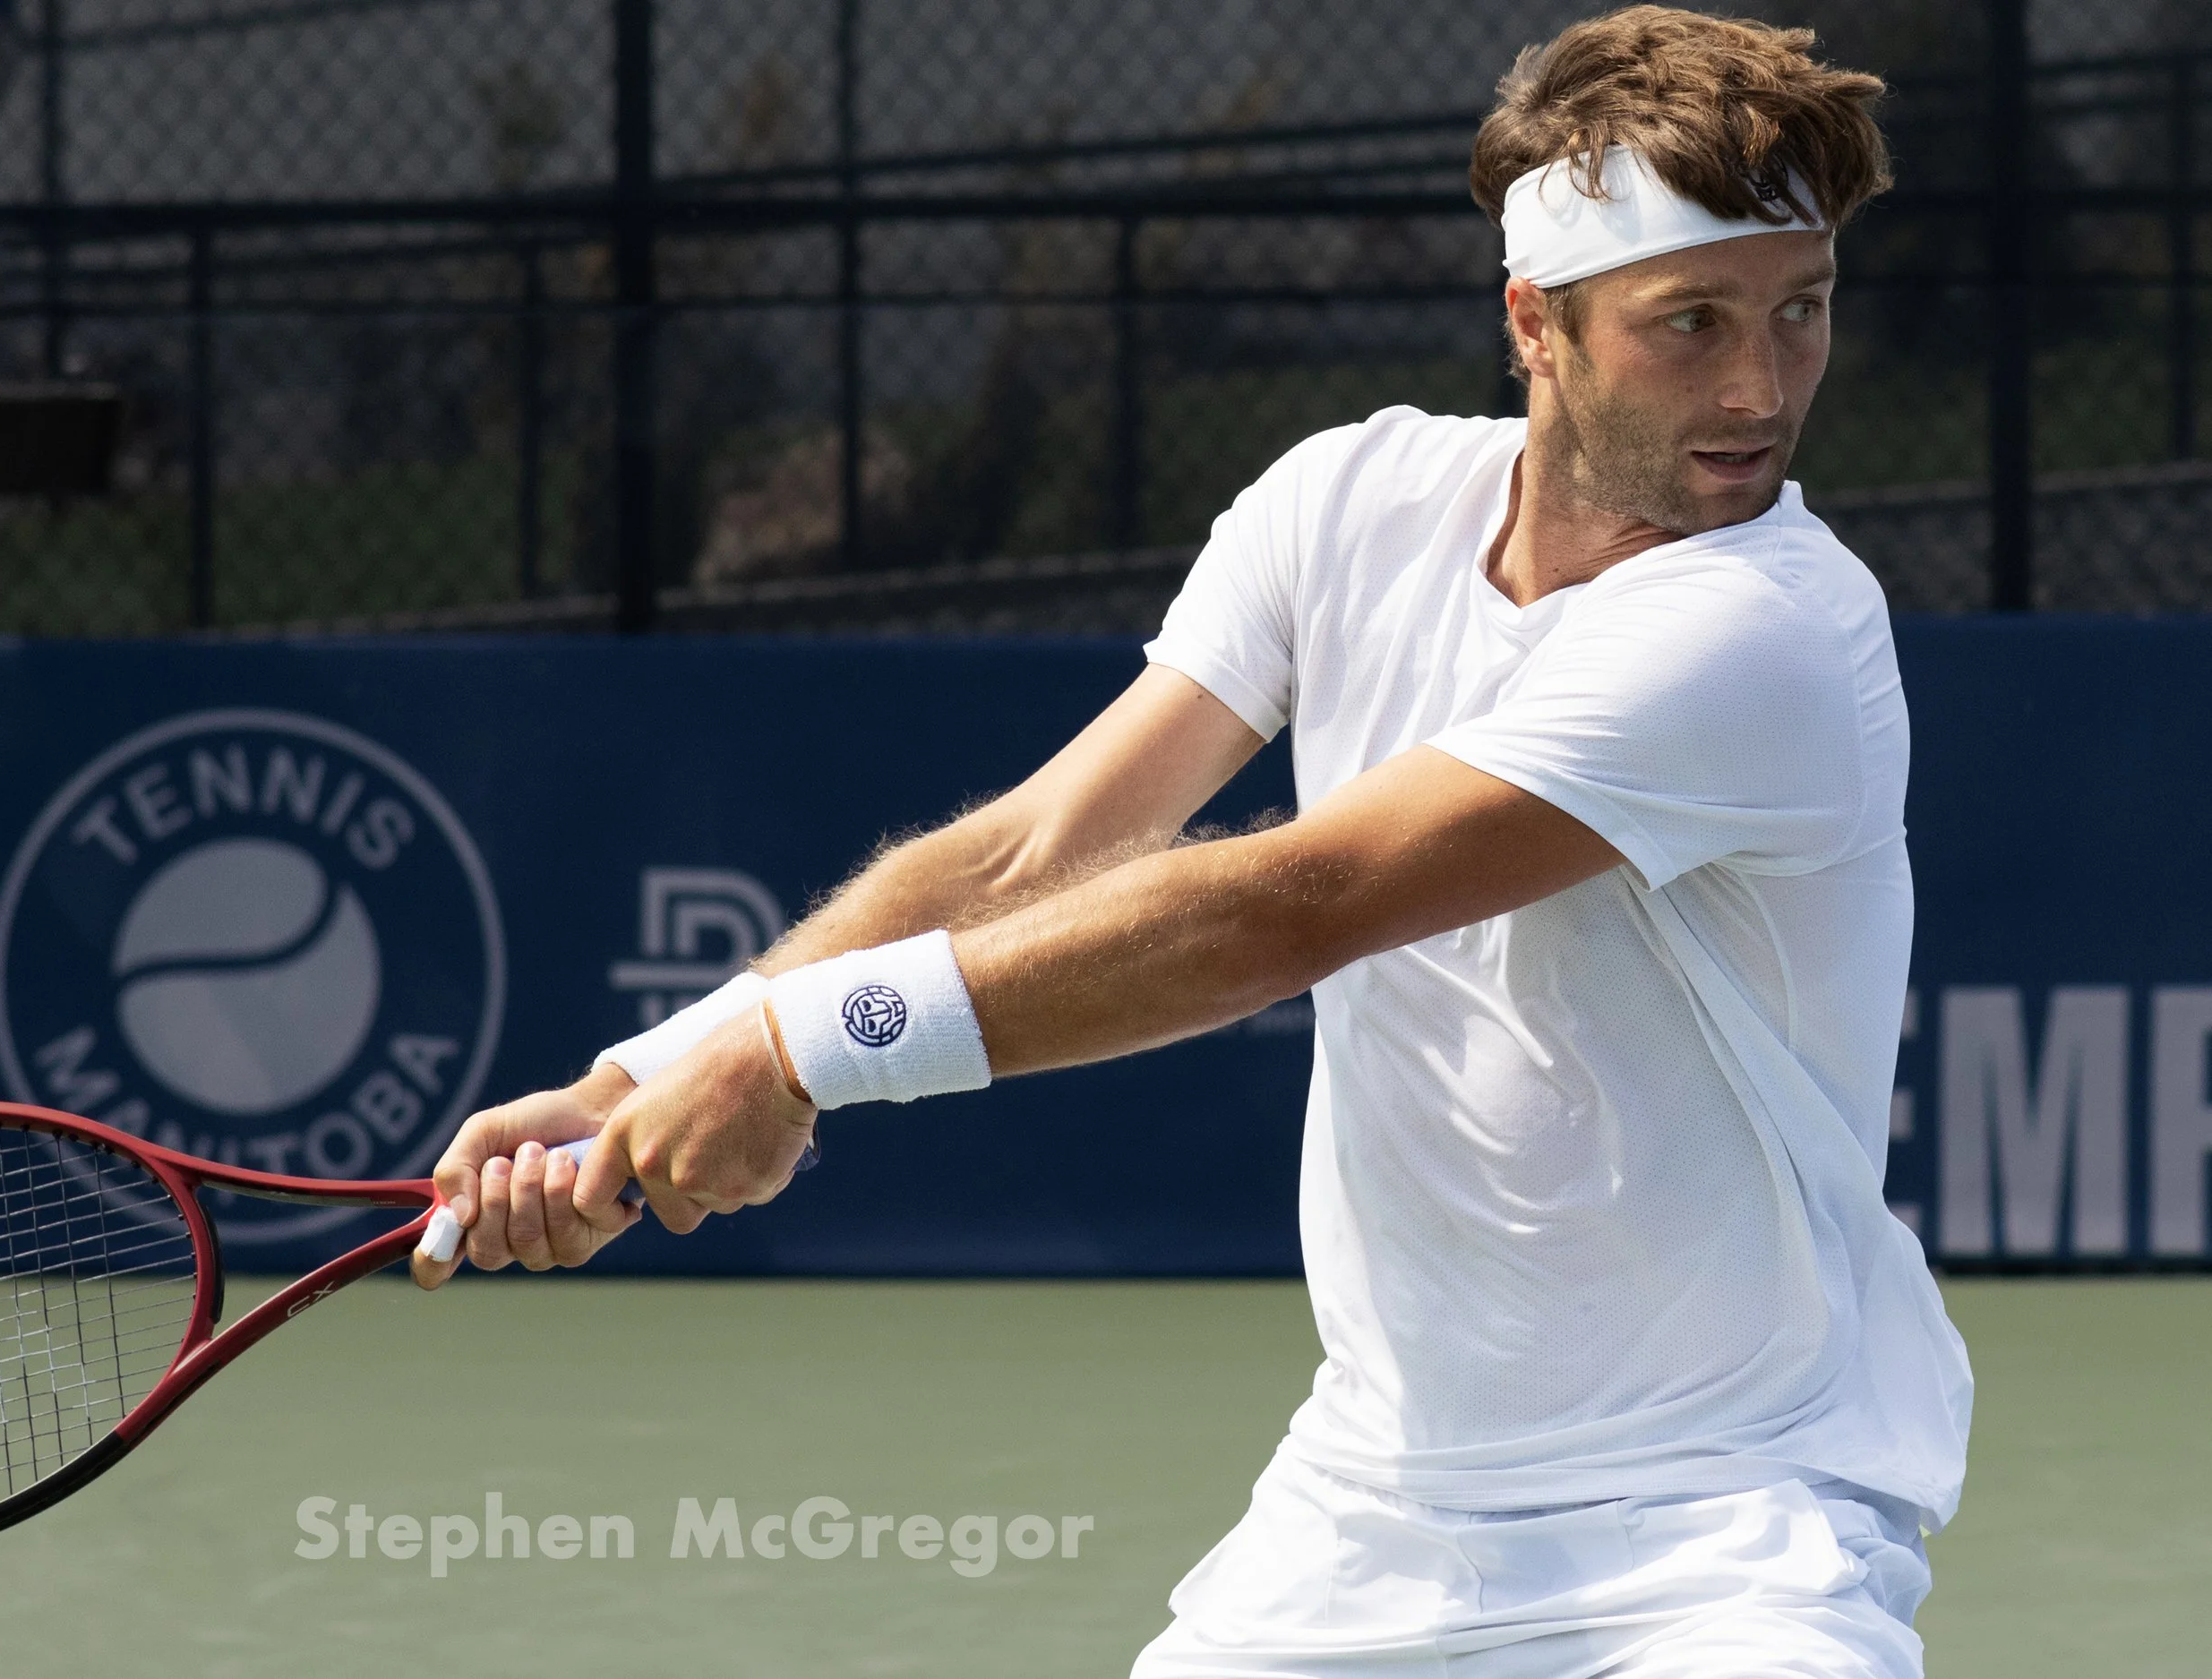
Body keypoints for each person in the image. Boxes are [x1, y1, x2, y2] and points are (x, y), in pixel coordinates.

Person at [413, 8, 1970, 1674]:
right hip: (1370, 1521)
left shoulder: (1769, 630)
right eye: (1693, 322)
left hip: (1724, 1539)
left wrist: (801, 1058)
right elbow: (1042, 848)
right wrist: (656, 1065)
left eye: (1801, 313)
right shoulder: (1345, 502)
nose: (1761, 386)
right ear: (1537, 323)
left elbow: (1286, 910)